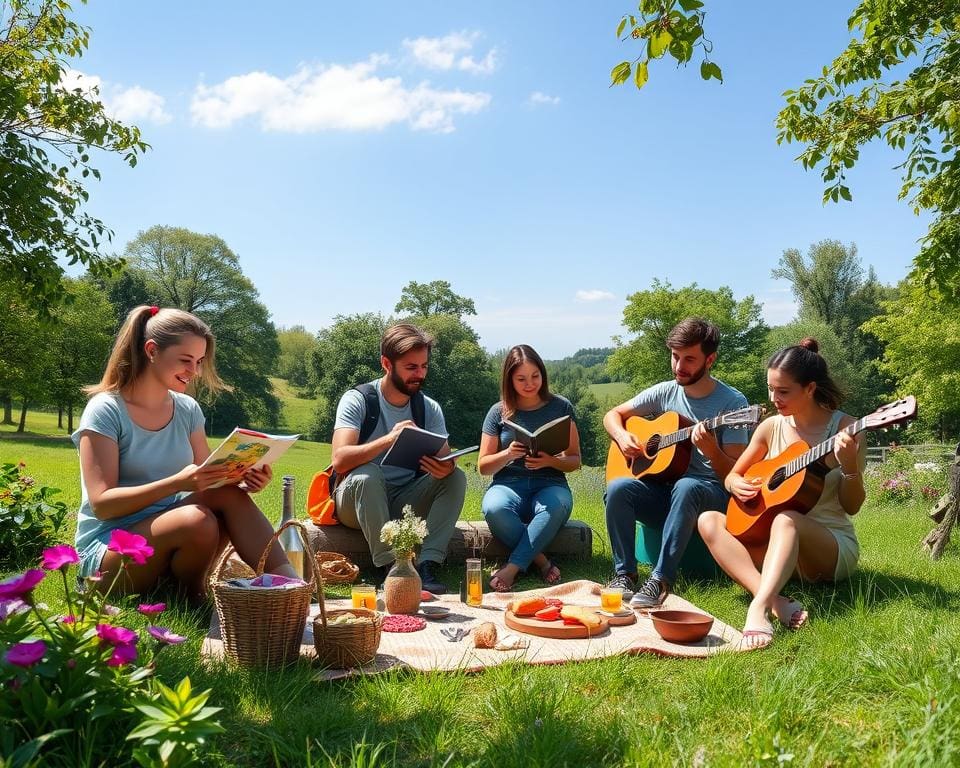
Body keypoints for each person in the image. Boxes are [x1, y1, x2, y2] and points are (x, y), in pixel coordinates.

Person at [73, 305, 295, 601]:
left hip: (170, 537)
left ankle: (292, 588)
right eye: (186, 360)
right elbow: (102, 505)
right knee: (195, 519)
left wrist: (244, 479)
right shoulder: (106, 410)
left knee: (227, 495)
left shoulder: (187, 410)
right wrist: (176, 483)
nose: (195, 372)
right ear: (152, 351)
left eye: (200, 361)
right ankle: (192, 598)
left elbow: (208, 483)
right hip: (108, 554)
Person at [698, 338, 865, 649]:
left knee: (787, 518)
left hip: (827, 547)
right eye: (770, 389)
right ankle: (775, 599)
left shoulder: (846, 429)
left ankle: (758, 608)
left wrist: (851, 467)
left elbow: (851, 507)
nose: (773, 398)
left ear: (811, 388)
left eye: (783, 391)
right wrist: (734, 484)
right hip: (775, 546)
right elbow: (734, 474)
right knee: (709, 519)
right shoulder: (770, 427)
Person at [604, 317, 749, 608]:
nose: (679, 366)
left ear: (710, 360)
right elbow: (612, 415)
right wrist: (622, 437)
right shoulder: (665, 392)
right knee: (619, 488)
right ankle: (625, 574)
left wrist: (711, 450)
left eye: (689, 359)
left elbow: (734, 474)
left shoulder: (733, 404)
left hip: (710, 497)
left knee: (687, 485)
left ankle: (660, 580)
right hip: (667, 494)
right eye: (675, 357)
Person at [331, 323, 466, 593]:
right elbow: (340, 459)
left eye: (424, 366)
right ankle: (391, 568)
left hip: (404, 500)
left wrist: (445, 468)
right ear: (386, 363)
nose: (420, 374)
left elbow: (446, 457)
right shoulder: (358, 400)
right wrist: (388, 439)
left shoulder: (428, 408)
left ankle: (427, 565)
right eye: (411, 367)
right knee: (369, 475)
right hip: (356, 501)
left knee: (457, 478)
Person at [478, 345, 581, 592]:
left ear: (543, 375)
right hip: (508, 484)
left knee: (555, 505)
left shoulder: (561, 407)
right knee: (493, 507)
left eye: (535, 376)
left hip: (550, 484)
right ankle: (542, 562)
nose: (529, 384)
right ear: (509, 379)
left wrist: (550, 461)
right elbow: (483, 466)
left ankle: (512, 569)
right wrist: (507, 453)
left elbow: (575, 459)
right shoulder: (498, 411)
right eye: (521, 378)